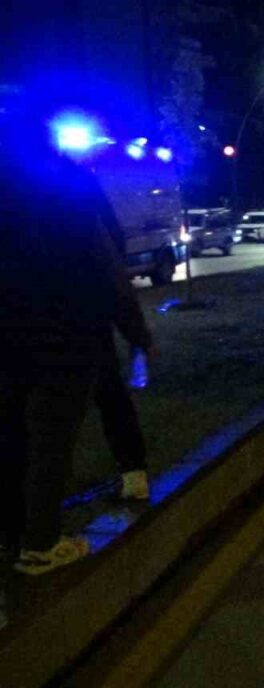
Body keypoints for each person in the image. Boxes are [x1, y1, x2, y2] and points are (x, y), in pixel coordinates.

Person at [0, 118, 153, 575]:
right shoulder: (71, 187)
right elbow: (107, 262)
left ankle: (13, 534)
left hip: (10, 336)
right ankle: (41, 544)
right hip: (69, 332)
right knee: (53, 436)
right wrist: (136, 333)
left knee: (12, 433)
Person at [94, 182, 153, 500]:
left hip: (28, 326)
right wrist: (137, 335)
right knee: (110, 396)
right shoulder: (77, 191)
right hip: (82, 321)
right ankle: (133, 473)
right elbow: (112, 268)